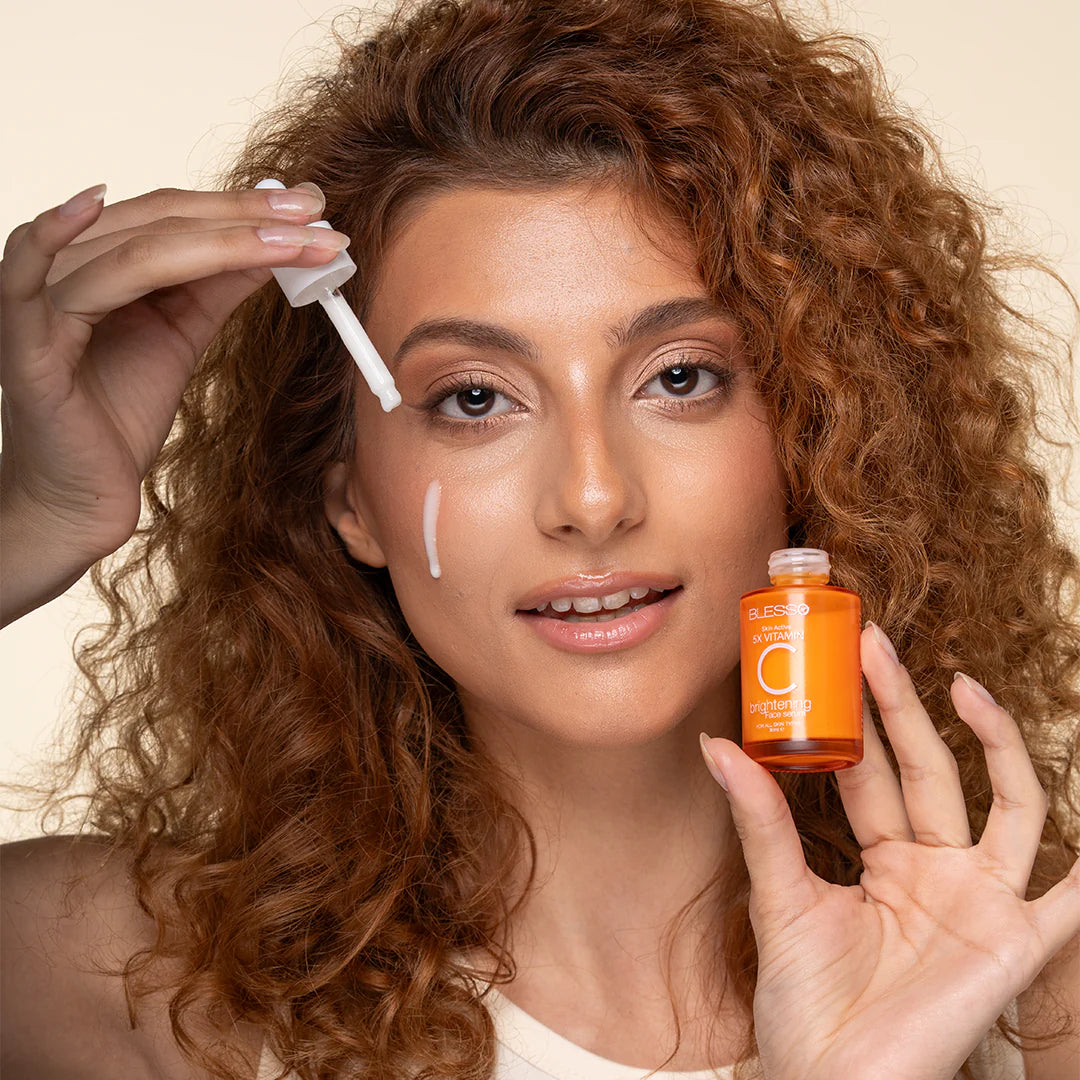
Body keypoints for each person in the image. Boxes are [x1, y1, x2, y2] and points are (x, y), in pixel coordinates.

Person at [1, 0, 1078, 1077]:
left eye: (680, 378)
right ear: (349, 501)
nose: (594, 497)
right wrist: (32, 528)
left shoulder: (1040, 994)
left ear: (814, 428)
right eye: (475, 399)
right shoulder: (124, 981)